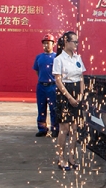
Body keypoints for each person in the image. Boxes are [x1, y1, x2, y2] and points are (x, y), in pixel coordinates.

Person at [52, 31, 86, 171]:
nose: (77, 44)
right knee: (64, 128)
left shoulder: (78, 58)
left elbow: (82, 78)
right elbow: (58, 81)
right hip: (65, 94)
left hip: (77, 92)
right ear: (66, 41)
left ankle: (72, 157)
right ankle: (61, 158)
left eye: (77, 42)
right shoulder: (59, 59)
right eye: (74, 42)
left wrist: (81, 94)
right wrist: (70, 97)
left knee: (74, 128)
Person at [33, 33, 59, 138]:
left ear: (53, 44)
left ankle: (55, 129)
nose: (46, 46)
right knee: (41, 108)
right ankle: (42, 129)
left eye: (48, 43)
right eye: (44, 43)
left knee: (54, 109)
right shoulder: (39, 57)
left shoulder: (57, 57)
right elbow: (37, 71)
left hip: (53, 86)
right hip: (41, 87)